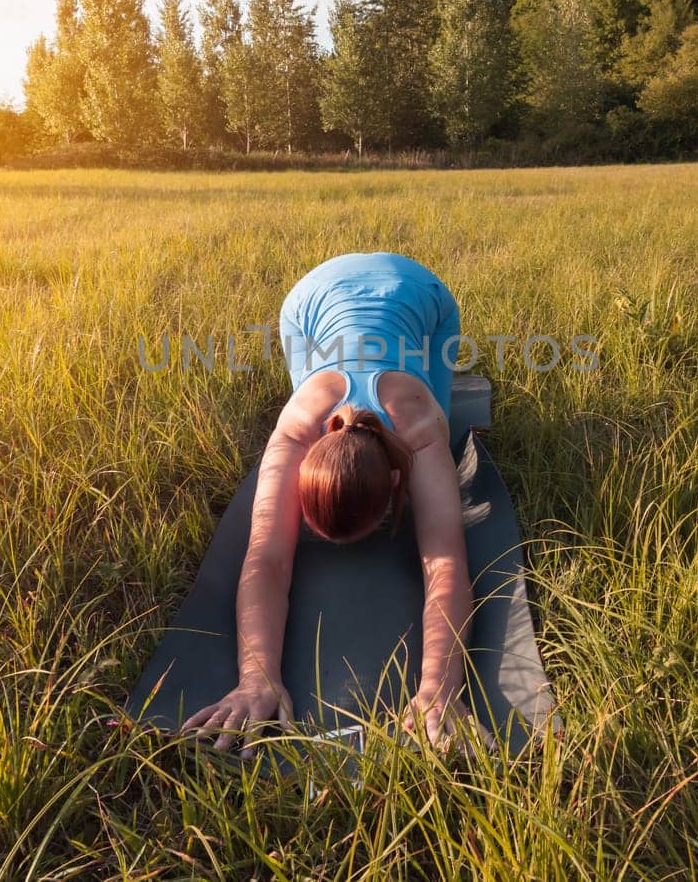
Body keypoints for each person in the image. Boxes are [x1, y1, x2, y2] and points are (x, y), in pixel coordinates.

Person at [182, 252, 482, 757]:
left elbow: (446, 561)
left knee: (445, 423)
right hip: (309, 300)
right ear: (302, 467)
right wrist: (257, 679)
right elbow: (266, 559)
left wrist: (439, 687)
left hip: (418, 291)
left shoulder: (419, 425)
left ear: (394, 479)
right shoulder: (297, 426)